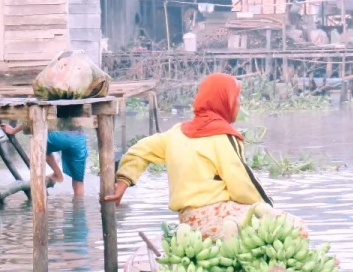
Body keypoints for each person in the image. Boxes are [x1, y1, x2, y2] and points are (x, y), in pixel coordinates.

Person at [103, 72, 277, 238]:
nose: (239, 104)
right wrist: (267, 207)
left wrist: (123, 182)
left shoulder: (176, 133)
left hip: (187, 220)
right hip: (221, 221)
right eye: (236, 98)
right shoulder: (224, 137)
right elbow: (242, 184)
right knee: (290, 225)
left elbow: (140, 150)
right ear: (225, 101)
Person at [0, 122, 88, 199]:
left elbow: (32, 117)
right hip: (79, 138)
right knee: (78, 182)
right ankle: (78, 213)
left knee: (38, 144)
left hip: (59, 136)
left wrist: (14, 130)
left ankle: (55, 175)